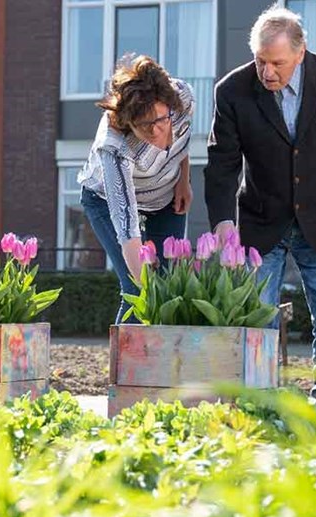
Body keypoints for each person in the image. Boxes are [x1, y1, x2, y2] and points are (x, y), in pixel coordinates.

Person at [204, 5, 316, 403]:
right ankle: (261, 402)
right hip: (261, 222)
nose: (267, 72)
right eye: (260, 61)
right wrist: (223, 221)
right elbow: (222, 163)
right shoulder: (231, 90)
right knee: (258, 319)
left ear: (301, 52)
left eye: (277, 62)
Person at [78, 55, 195, 323]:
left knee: (170, 287)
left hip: (164, 194)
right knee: (136, 291)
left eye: (161, 120)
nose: (156, 132)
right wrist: (146, 292)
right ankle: (125, 364)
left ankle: (163, 362)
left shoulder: (183, 97)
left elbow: (183, 138)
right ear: (128, 122)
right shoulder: (113, 147)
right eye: (144, 126)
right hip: (106, 201)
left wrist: (183, 180)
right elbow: (127, 228)